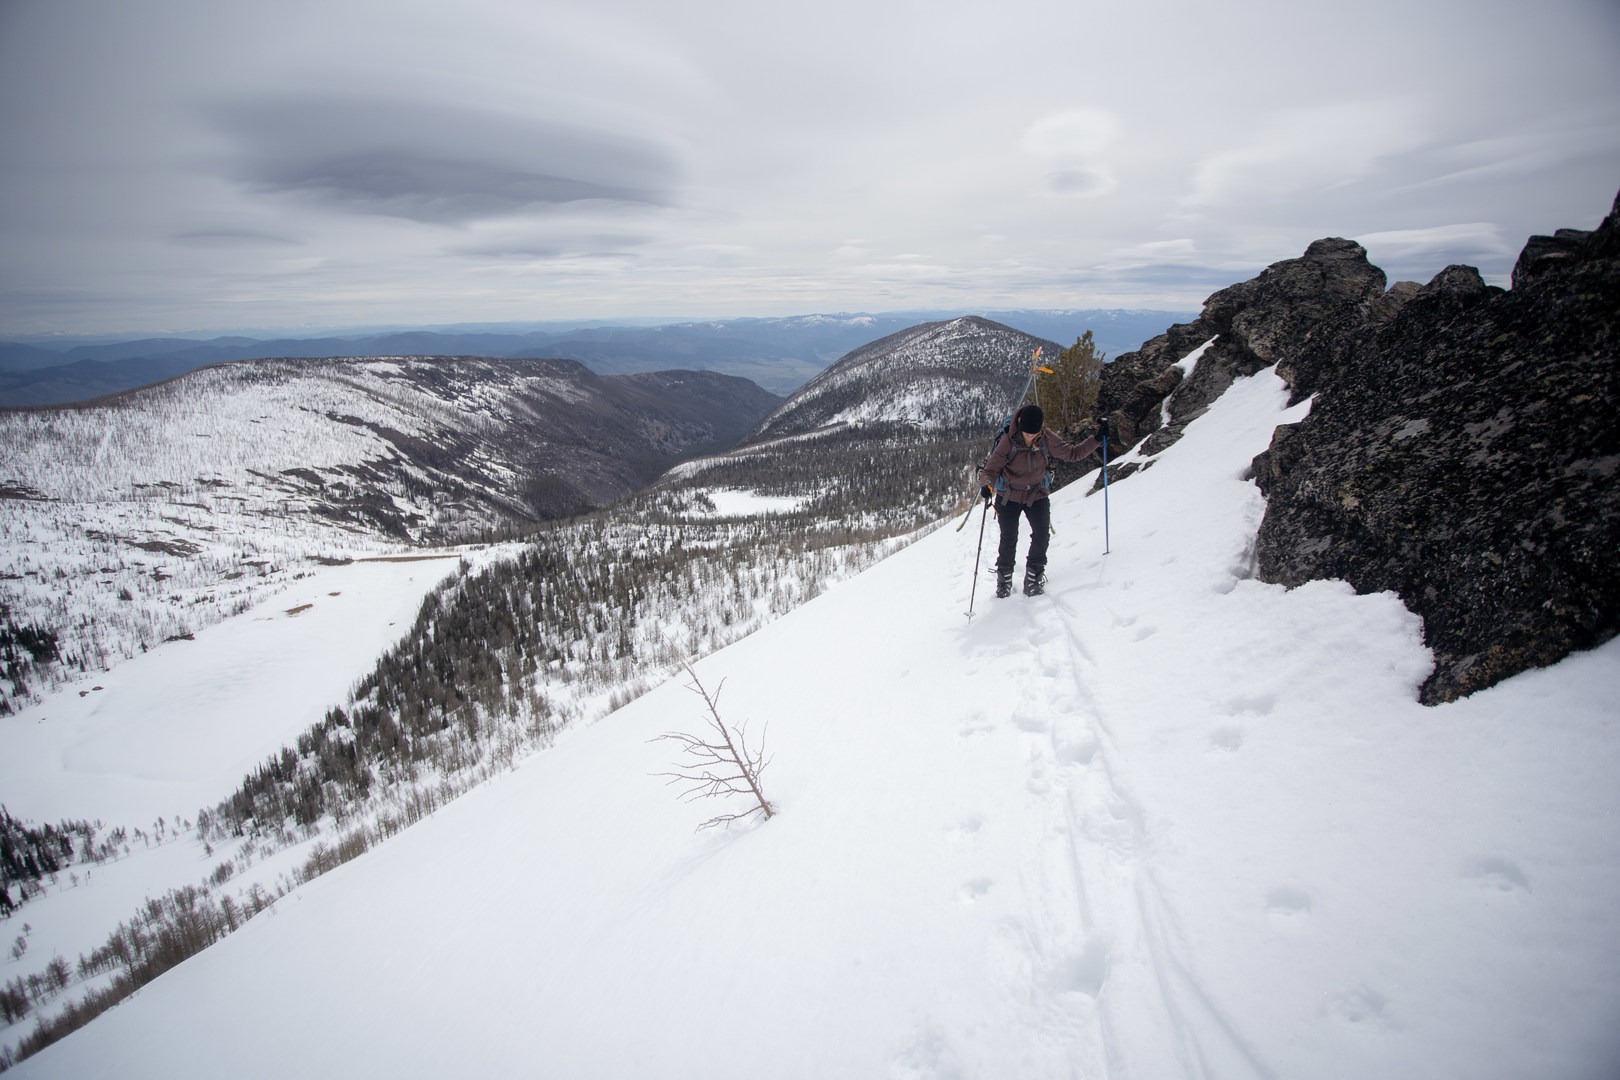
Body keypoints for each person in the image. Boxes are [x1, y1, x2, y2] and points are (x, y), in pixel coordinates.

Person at [977, 404, 1101, 597]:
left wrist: (1097, 440)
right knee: (1008, 538)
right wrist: (986, 485)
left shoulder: (1046, 437)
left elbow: (1072, 453)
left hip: (1037, 495)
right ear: (1020, 425)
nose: (1030, 437)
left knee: (1042, 535)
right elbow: (990, 470)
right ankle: (1004, 580)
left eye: (1034, 434)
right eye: (1027, 433)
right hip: (1008, 496)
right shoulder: (1008, 441)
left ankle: (1034, 576)